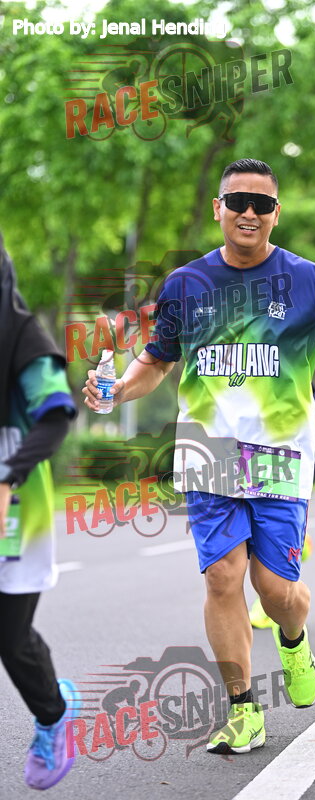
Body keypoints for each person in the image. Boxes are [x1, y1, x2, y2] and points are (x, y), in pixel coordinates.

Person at [83, 158, 315, 755]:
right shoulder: (185, 285)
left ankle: (294, 639)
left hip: (280, 459)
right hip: (208, 454)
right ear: (218, 208)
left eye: (262, 204)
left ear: (276, 213)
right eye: (238, 201)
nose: (249, 212)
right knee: (223, 577)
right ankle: (243, 710)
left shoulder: (311, 282)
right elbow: (158, 360)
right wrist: (118, 389)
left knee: (275, 591)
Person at [0, 235, 80, 789]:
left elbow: (54, 415)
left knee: (9, 636)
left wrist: (8, 478)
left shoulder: (24, 336)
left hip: (15, 499)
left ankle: (53, 714)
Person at [248, 382, 315, 629]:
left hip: (292, 464)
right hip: (246, 461)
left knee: (277, 546)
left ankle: (268, 603)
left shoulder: (302, 379)